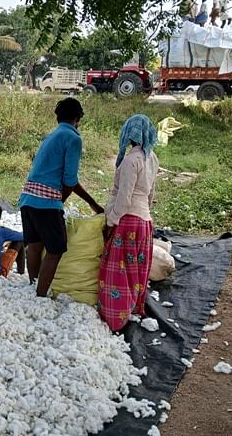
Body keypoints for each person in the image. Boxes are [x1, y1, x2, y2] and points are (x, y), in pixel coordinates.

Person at [19, 97, 104, 297]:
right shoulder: (73, 138)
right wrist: (90, 204)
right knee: (56, 249)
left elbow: (65, 179)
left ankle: (32, 285)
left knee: (34, 245)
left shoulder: (50, 137)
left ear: (58, 117)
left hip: (27, 198)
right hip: (45, 203)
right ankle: (39, 295)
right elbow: (70, 180)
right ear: (78, 117)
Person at [98, 114, 159, 332]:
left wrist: (111, 221)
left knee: (119, 270)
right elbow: (150, 195)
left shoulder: (130, 160)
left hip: (128, 222)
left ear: (128, 134)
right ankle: (134, 307)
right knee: (137, 268)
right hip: (145, 222)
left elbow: (124, 198)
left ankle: (114, 317)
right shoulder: (152, 158)